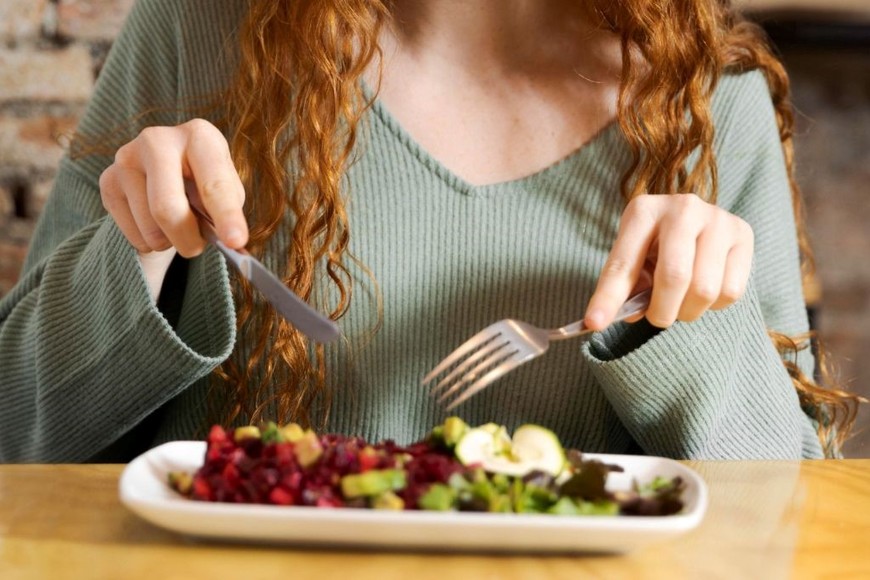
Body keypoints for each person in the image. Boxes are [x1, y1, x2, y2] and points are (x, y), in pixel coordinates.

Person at [0, 0, 860, 463]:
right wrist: (137, 261)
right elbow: (16, 434)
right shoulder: (195, 30)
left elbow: (785, 512)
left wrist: (699, 333)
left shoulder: (714, 105)